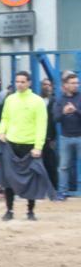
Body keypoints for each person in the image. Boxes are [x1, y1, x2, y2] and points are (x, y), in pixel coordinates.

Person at [0, 71, 49, 221]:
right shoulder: (10, 99)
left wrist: (38, 146)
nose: (19, 84)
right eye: (17, 81)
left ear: (29, 83)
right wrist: (1, 131)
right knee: (8, 178)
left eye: (22, 82)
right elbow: (5, 118)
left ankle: (30, 211)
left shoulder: (37, 101)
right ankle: (9, 210)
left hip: (30, 145)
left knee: (31, 180)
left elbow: (42, 125)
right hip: (11, 143)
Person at [53, 71, 81, 201]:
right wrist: (64, 112)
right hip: (65, 137)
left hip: (80, 136)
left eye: (77, 83)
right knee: (63, 166)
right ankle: (62, 191)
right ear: (65, 85)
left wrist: (76, 111)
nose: (76, 85)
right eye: (73, 83)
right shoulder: (60, 100)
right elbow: (55, 118)